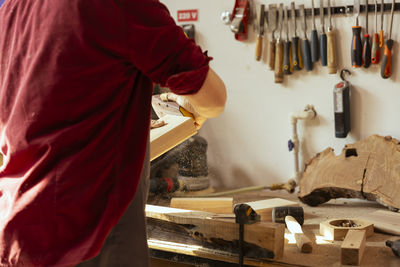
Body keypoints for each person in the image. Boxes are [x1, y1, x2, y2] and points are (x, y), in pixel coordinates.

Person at [0, 0, 226, 266]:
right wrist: (191, 103)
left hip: (17, 228)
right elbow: (213, 98)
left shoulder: (11, 9)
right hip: (87, 236)